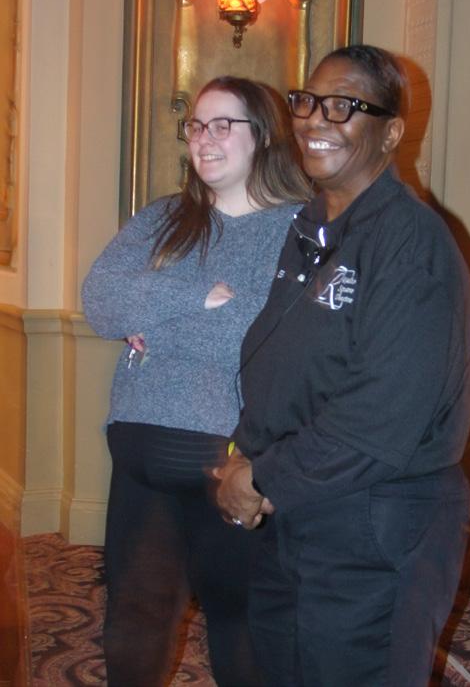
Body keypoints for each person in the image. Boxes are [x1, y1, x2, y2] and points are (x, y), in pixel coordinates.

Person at [215, 45, 470, 686]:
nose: (314, 119)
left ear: (391, 132)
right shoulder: (310, 230)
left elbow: (378, 418)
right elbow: (289, 369)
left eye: (344, 106)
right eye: (307, 101)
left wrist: (260, 477)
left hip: (374, 522)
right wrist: (246, 457)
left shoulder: (410, 242)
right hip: (299, 509)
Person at [81, 76, 311, 687]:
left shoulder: (299, 228)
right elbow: (100, 301)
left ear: (263, 135)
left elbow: (264, 338)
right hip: (140, 454)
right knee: (134, 618)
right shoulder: (163, 217)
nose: (204, 139)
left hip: (234, 462)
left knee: (241, 626)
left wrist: (152, 316)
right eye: (196, 125)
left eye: (222, 125)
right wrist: (197, 295)